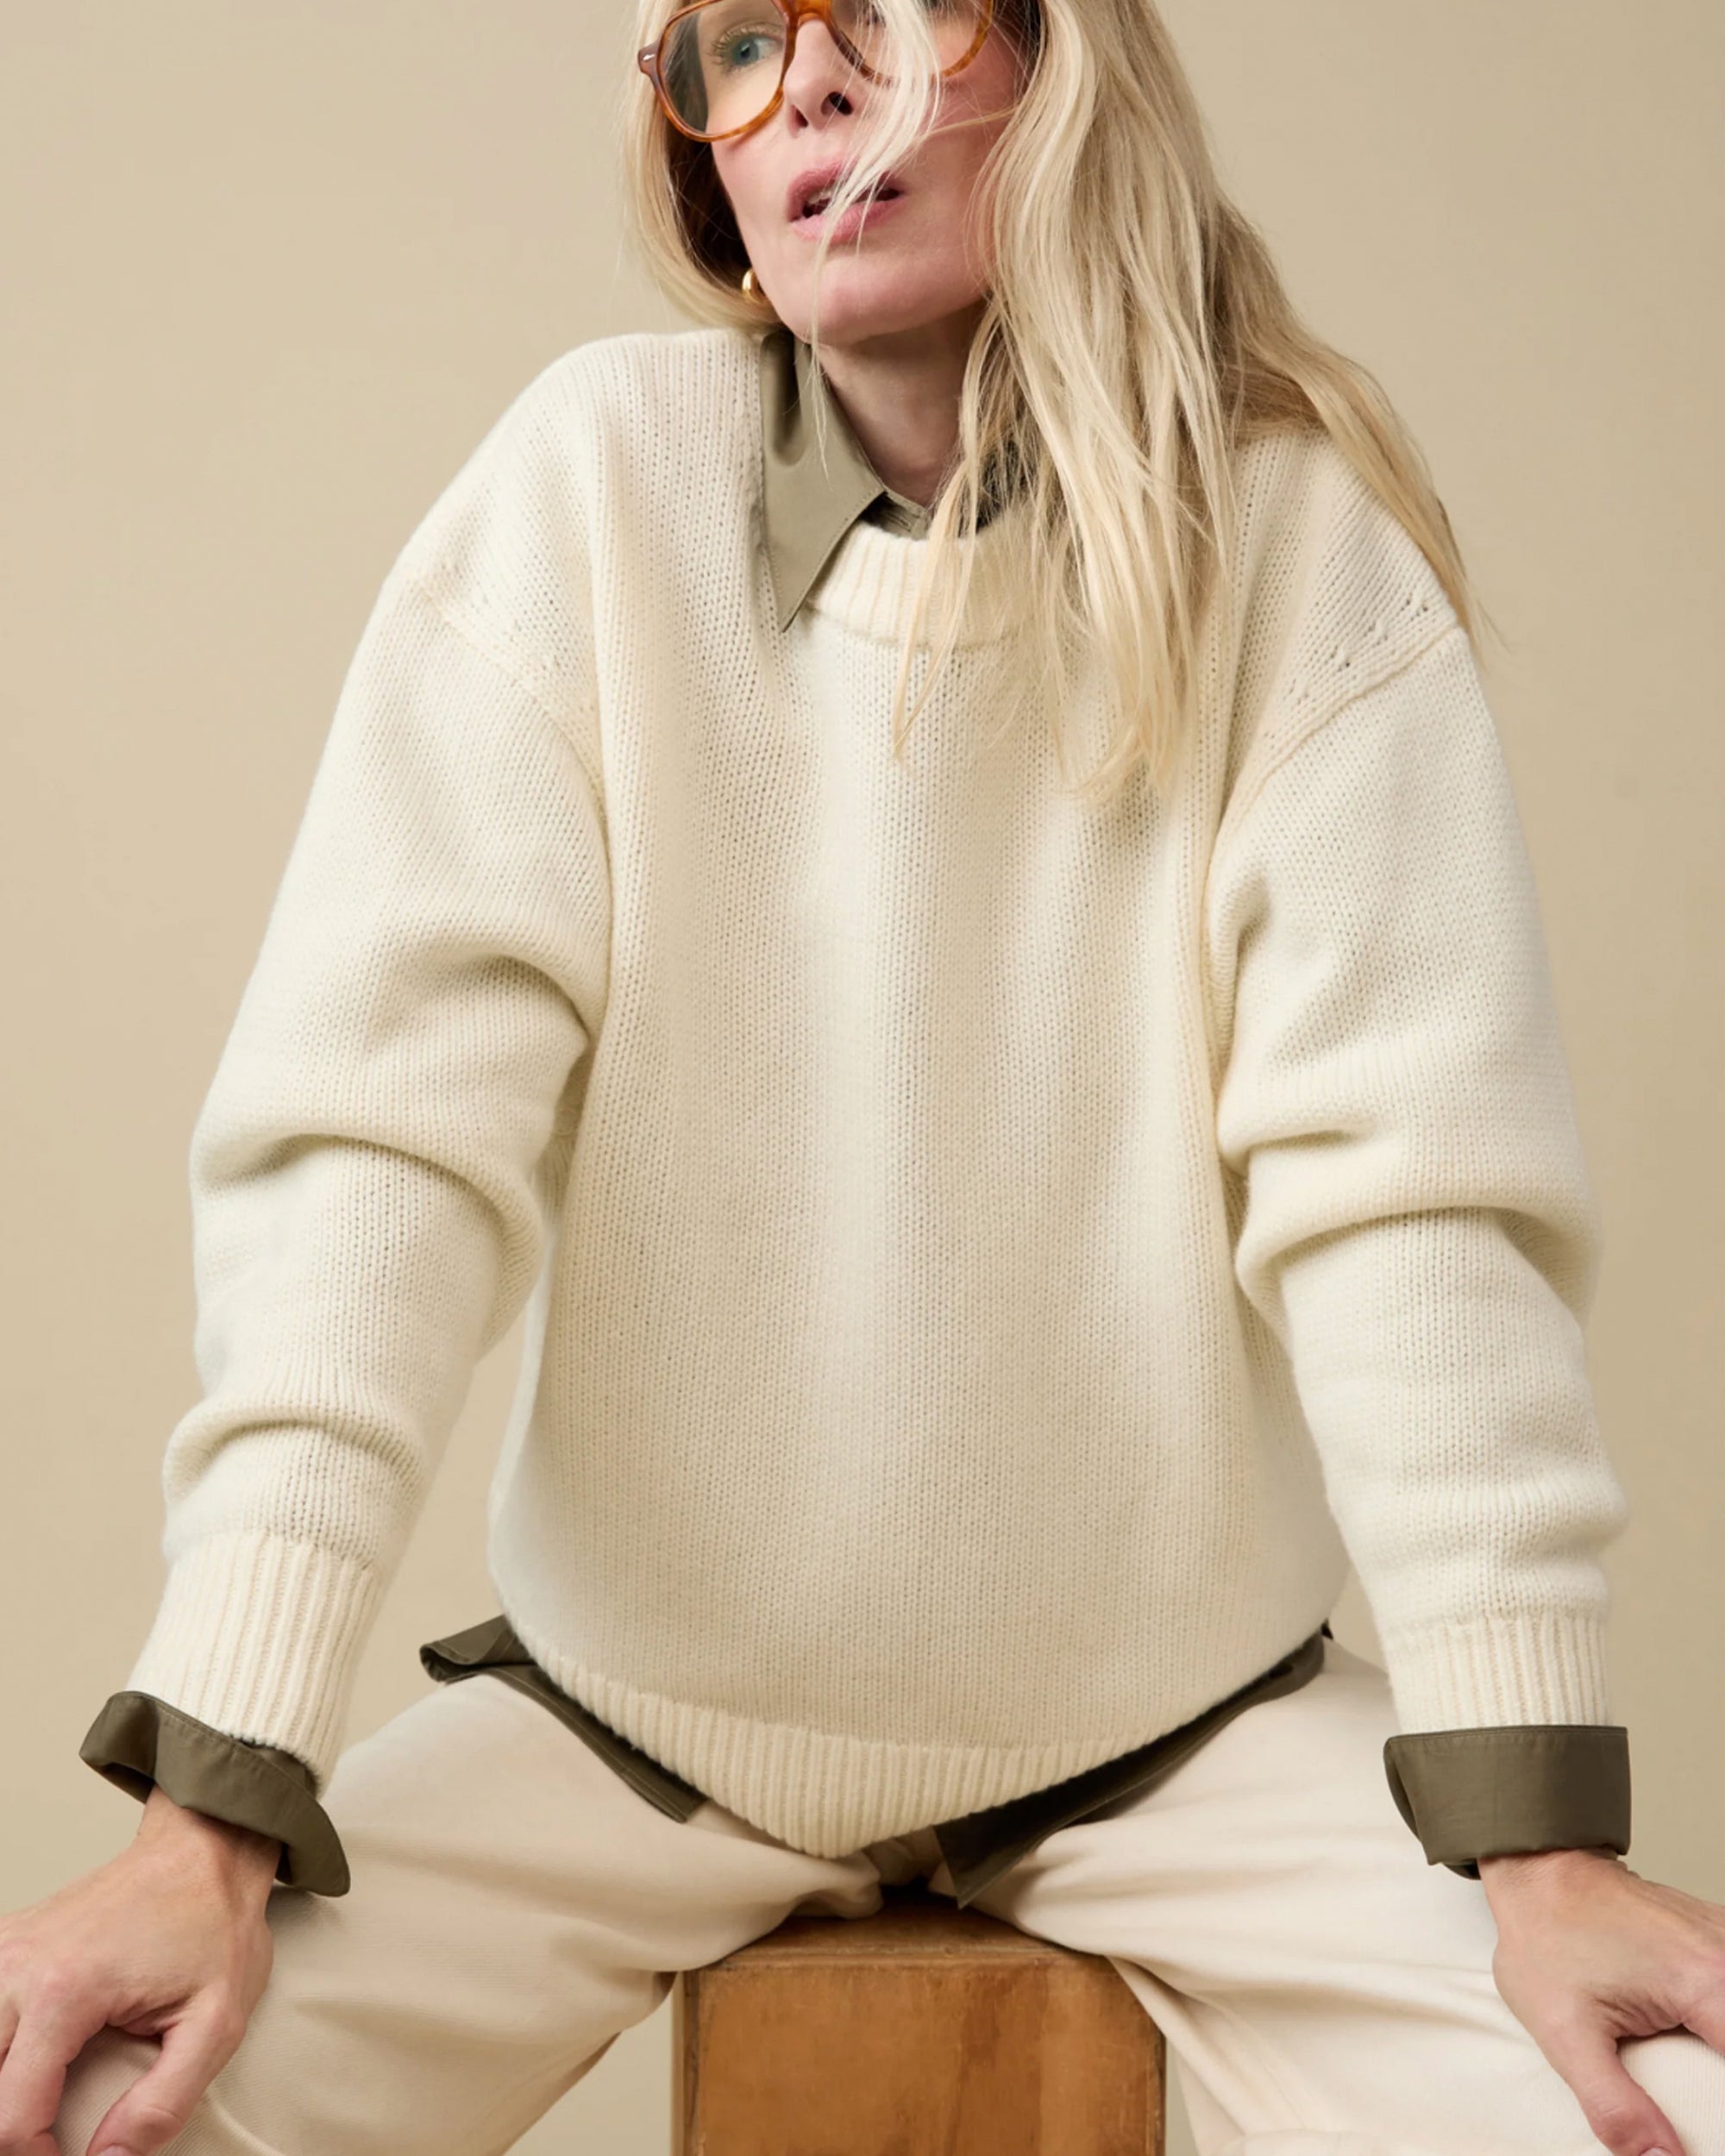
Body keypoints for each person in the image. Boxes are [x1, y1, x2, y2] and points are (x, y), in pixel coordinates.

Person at [4, 2, 1725, 2152]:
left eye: (891, 15)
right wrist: (209, 1803)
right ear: (700, 165)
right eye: (734, 42)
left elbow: (1405, 1201)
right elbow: (382, 1151)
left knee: (1658, 2110)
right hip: (627, 1731)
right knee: (80, 2108)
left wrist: (1537, 1839)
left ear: (1066, 65)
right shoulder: (584, 492)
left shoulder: (1297, 546)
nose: (808, 83)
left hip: (1189, 1735)